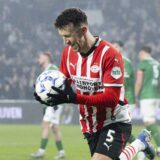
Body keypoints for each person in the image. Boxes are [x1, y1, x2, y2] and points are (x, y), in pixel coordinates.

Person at [34, 8, 155, 160]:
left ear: (83, 30)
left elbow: (111, 99)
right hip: (89, 125)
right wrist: (45, 93)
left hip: (114, 120)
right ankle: (139, 143)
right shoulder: (68, 52)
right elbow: (63, 83)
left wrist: (74, 98)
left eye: (67, 36)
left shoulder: (110, 55)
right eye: (62, 37)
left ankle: (139, 143)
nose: (65, 42)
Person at [31, 51, 66, 159]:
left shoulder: (52, 68)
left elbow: (61, 82)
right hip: (52, 103)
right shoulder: (46, 70)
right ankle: (61, 152)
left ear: (46, 58)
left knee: (45, 125)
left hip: (54, 102)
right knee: (54, 127)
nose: (38, 59)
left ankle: (41, 151)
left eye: (40, 57)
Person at [135, 46, 160, 157]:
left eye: (140, 54)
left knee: (149, 121)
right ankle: (146, 145)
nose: (140, 56)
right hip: (156, 95)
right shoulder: (157, 64)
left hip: (147, 95)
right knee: (150, 122)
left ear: (144, 52)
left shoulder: (143, 63)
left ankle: (158, 146)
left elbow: (139, 81)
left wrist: (136, 96)